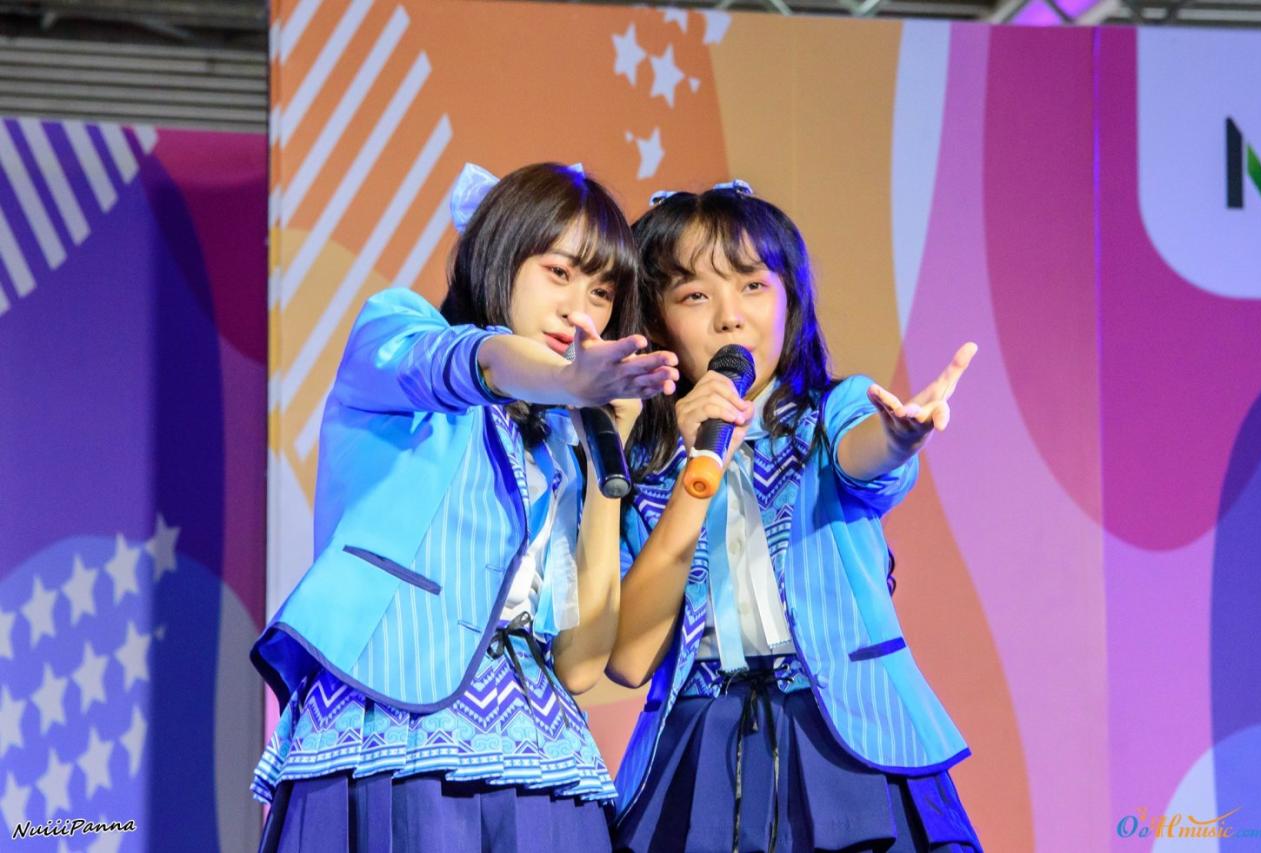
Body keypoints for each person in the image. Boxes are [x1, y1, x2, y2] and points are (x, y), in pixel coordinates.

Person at [250, 162, 678, 852]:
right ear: (500, 256)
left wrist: (606, 454)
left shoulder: (561, 438)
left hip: (540, 742)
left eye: (601, 292)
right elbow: (481, 362)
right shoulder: (399, 332)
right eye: (559, 273)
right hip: (393, 721)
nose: (580, 311)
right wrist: (566, 380)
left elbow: (579, 664)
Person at [607, 182, 983, 852]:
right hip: (699, 734)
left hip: (846, 730)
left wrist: (898, 438)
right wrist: (681, 467)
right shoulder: (641, 461)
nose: (730, 317)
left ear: (790, 301)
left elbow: (864, 456)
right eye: (695, 296)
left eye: (753, 286)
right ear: (657, 321)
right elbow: (629, 650)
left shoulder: (830, 411)